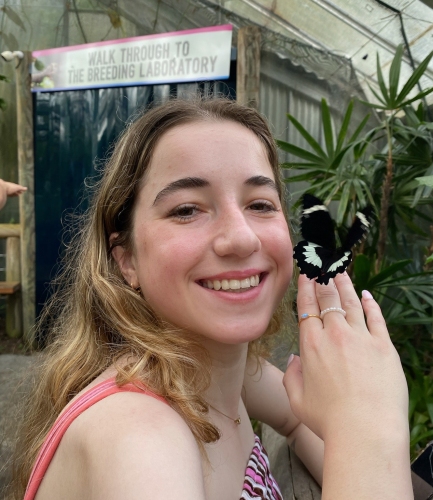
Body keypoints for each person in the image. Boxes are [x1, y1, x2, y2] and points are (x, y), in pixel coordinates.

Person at [10, 97, 412, 500]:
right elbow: (352, 442)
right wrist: (367, 434)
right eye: (186, 210)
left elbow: (295, 421)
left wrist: (359, 445)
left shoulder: (225, 373)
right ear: (127, 260)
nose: (242, 237)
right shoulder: (140, 438)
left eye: (259, 204)